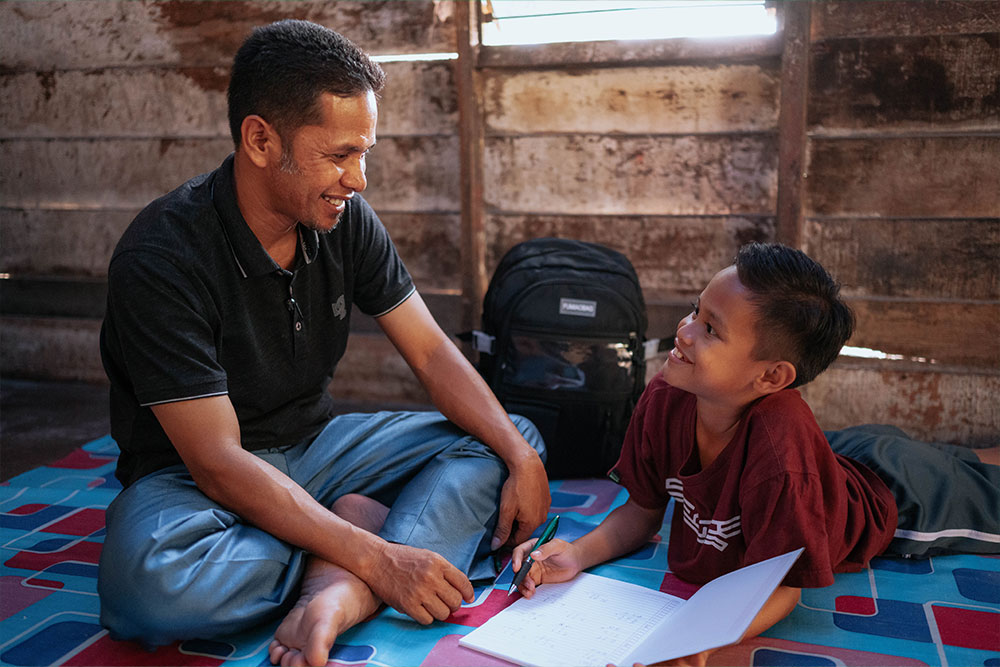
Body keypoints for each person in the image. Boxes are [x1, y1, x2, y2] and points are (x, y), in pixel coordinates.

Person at [97, 19, 550, 667]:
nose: (358, 179)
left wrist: (520, 456)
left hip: (318, 449)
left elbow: (429, 352)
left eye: (363, 153)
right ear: (260, 139)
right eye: (339, 155)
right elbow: (218, 461)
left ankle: (340, 574)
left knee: (514, 437)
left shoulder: (343, 219)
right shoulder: (162, 257)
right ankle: (352, 557)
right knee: (148, 588)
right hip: (193, 481)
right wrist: (373, 555)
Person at [510, 242, 1000, 665]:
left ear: (770, 377)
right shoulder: (666, 395)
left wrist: (699, 642)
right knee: (944, 456)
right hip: (834, 456)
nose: (683, 331)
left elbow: (784, 585)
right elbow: (641, 511)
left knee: (974, 486)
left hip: (897, 497)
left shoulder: (782, 457)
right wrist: (575, 553)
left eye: (711, 329)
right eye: (694, 311)